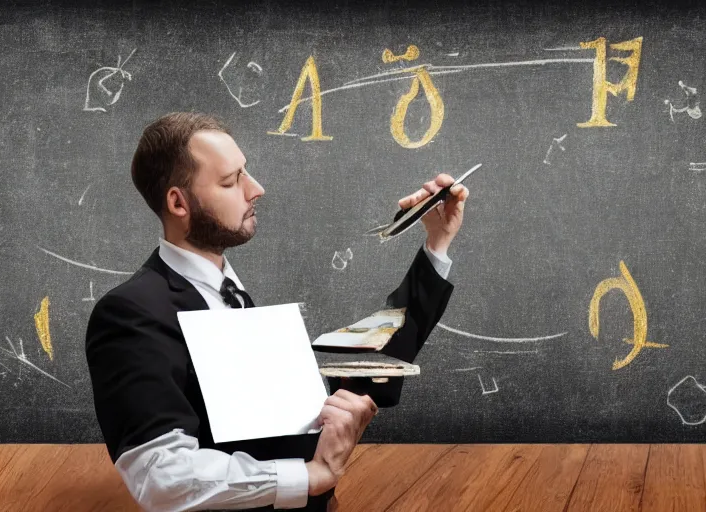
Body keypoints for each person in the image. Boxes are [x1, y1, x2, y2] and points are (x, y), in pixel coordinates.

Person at [85, 112, 469, 511]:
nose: (256, 189)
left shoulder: (231, 298)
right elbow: (161, 474)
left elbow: (360, 372)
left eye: (246, 172)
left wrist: (436, 247)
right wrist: (309, 476)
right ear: (178, 202)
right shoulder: (130, 313)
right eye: (231, 181)